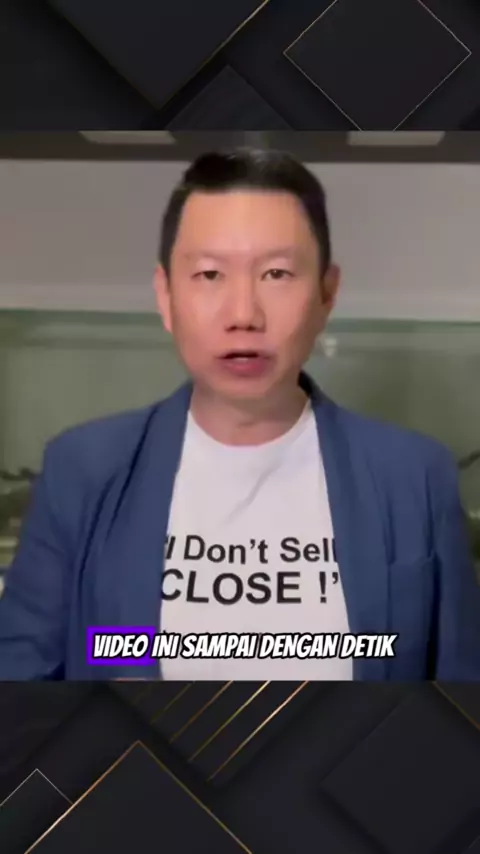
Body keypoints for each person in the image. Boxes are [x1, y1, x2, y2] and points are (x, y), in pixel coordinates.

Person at [0, 147, 479, 681]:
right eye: (209, 274)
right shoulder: (84, 472)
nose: (243, 314)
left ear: (326, 294)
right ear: (166, 296)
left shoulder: (414, 477)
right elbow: (26, 687)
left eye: (276, 273)